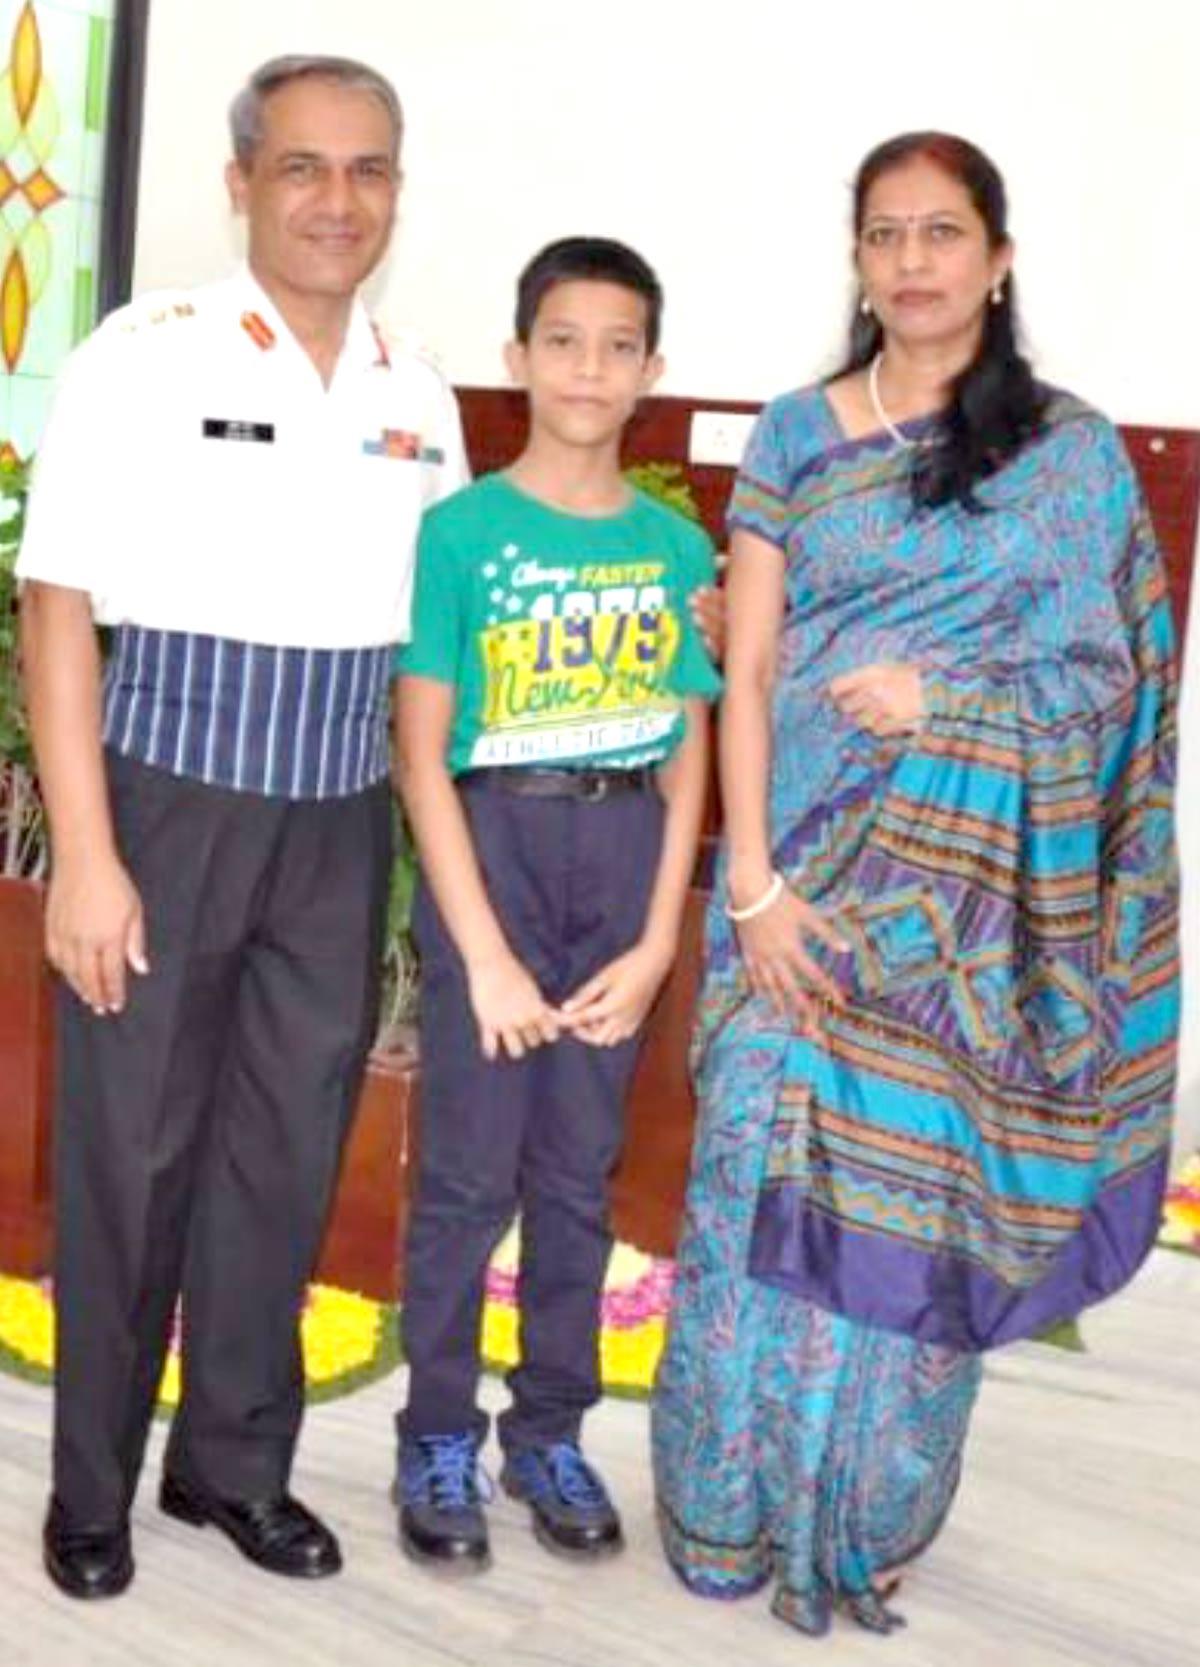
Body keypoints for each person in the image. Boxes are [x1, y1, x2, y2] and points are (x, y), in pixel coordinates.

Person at [651, 132, 1179, 1638]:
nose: (913, 262)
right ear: (860, 262)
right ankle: (725, 1510)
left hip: (965, 919)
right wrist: (747, 884)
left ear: (997, 261)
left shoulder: (1067, 458)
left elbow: (1112, 685)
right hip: (797, 867)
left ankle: (865, 1515)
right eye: (885, 235)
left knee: (917, 1190)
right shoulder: (796, 439)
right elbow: (744, 672)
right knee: (752, 1150)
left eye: (943, 233)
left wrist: (947, 707)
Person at [17, 56, 467, 1599]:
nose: (338, 201)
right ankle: (92, 1490)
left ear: (397, 192)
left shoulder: (420, 386)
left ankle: (232, 1470)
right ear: (240, 184)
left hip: (340, 828)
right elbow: (60, 600)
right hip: (168, 806)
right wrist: (85, 850)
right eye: (302, 168)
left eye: (368, 171)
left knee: (285, 1158)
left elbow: (434, 642)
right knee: (130, 1159)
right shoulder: (145, 356)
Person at [392, 236, 721, 1573]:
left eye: (619, 343)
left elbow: (697, 750)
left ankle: (548, 1433)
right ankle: (434, 1436)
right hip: (497, 855)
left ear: (653, 368)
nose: (590, 368)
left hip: (623, 856)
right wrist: (480, 956)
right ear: (518, 358)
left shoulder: (676, 545)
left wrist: (657, 940)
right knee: (468, 1184)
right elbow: (421, 749)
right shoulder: (459, 531)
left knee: (578, 1183)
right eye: (564, 340)